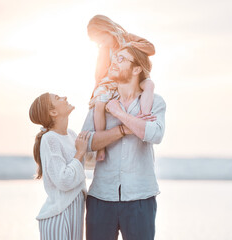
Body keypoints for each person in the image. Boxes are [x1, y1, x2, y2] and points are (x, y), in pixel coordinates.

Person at [82, 45, 166, 240]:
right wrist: (124, 129)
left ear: (136, 69)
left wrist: (119, 113)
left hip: (140, 199)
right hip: (101, 197)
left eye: (121, 59)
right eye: (115, 58)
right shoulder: (100, 102)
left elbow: (155, 134)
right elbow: (86, 141)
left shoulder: (155, 102)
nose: (114, 62)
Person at [87, 15, 156, 161]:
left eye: (101, 40)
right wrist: (95, 92)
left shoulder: (127, 38)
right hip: (111, 81)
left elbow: (151, 48)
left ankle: (144, 115)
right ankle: (101, 147)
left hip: (133, 77)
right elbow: (99, 73)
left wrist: (129, 47)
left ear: (108, 30)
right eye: (97, 43)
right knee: (99, 104)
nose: (101, 44)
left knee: (149, 85)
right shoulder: (105, 49)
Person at [29, 92, 91, 240]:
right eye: (58, 98)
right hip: (59, 216)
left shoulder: (71, 134)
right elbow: (63, 180)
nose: (65, 98)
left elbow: (87, 161)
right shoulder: (50, 139)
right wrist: (80, 152)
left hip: (74, 213)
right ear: (53, 112)